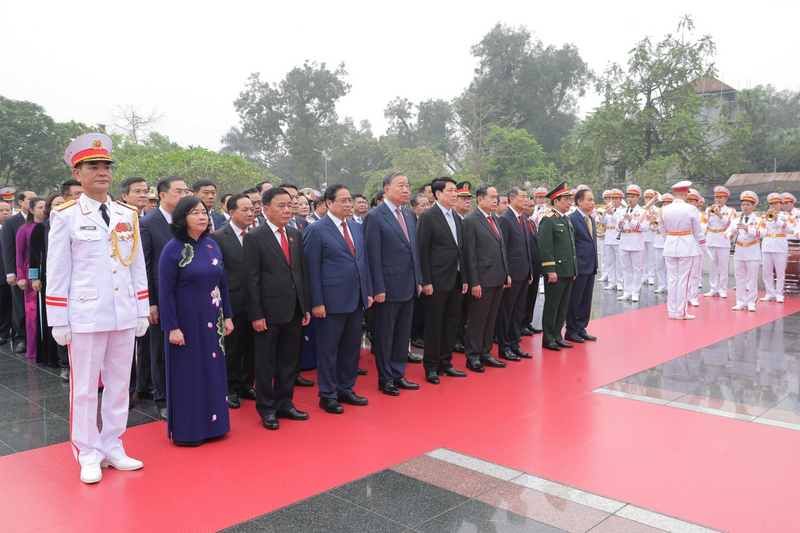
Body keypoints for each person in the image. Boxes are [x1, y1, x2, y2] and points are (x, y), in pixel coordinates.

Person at [47, 132, 149, 484]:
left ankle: (113, 445)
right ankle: (87, 452)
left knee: (120, 385)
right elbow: (58, 272)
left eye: (106, 166)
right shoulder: (66, 216)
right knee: (86, 388)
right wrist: (58, 319)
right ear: (78, 173)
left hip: (122, 311)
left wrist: (141, 309)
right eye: (93, 166)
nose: (102, 172)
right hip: (85, 315)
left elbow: (137, 265)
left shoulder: (127, 213)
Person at [159, 196, 234, 446]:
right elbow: (166, 292)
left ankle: (216, 425)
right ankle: (190, 430)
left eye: (204, 212)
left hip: (214, 317)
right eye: (195, 213)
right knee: (189, 374)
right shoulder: (172, 249)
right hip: (186, 322)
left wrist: (229, 316)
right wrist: (172, 327)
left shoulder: (212, 246)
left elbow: (222, 284)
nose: (202, 217)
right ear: (182, 218)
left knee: (213, 370)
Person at [243, 187, 311, 429]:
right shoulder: (255, 236)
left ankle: (285, 403)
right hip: (268, 313)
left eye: (289, 205)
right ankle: (267, 408)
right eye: (281, 205)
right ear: (266, 209)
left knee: (289, 360)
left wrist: (305, 306)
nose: (287, 210)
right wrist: (257, 314)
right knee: (266, 363)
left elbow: (301, 273)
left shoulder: (295, 234)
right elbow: (251, 280)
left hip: (293, 309)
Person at [304, 185, 373, 413]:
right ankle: (328, 394)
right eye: (343, 200)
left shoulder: (356, 227)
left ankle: (346, 388)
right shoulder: (317, 230)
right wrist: (316, 302)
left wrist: (368, 291)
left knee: (351, 347)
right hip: (330, 301)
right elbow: (311, 270)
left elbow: (363, 263)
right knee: (328, 350)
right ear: (328, 203)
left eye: (349, 200)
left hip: (356, 298)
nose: (348, 204)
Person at [363, 171, 423, 395]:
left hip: (408, 285)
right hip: (387, 287)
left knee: (402, 333)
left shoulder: (409, 215)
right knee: (386, 334)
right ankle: (385, 377)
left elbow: (413, 251)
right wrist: (377, 287)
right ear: (386, 190)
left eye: (408, 185)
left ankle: (399, 373)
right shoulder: (375, 216)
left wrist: (418, 279)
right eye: (401, 186)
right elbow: (372, 256)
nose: (406, 189)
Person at [140, 176, 191, 420]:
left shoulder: (190, 222)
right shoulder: (148, 223)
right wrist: (150, 302)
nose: (184, 195)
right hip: (161, 297)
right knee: (160, 351)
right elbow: (144, 266)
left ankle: (185, 393)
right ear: (162, 195)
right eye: (178, 191)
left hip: (190, 296)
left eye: (186, 191)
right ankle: (162, 399)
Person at [416, 177, 468, 385]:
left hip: (455, 279)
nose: (455, 194)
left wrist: (464, 277)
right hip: (436, 281)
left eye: (455, 191)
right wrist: (426, 280)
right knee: (434, 325)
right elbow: (422, 251)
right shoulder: (429, 217)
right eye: (451, 191)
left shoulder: (456, 217)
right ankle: (431, 367)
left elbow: (460, 250)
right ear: (438, 194)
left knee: (451, 324)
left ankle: (446, 363)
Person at [209, 194, 256, 408]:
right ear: (231, 212)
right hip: (233, 300)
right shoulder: (218, 236)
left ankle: (247, 384)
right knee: (232, 348)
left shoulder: (256, 235)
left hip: (256, 301)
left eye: (252, 209)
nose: (250, 213)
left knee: (252, 347)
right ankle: (231, 389)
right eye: (245, 210)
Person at [462, 183, 510, 371]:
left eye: (496, 196)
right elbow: (470, 254)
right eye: (492, 197)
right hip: (482, 278)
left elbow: (501, 248)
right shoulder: (471, 220)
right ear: (480, 199)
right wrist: (474, 282)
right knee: (478, 318)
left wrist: (506, 273)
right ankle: (472, 355)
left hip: (497, 276)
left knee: (491, 318)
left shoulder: (494, 218)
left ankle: (486, 352)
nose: (495, 200)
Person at [120, 176, 153, 399]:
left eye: (145, 191)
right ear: (124, 195)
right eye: (137, 191)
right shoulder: (117, 218)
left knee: (145, 340)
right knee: (123, 347)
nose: (143, 195)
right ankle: (126, 390)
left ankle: (143, 384)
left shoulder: (148, 219)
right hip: (122, 290)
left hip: (145, 288)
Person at [494, 186, 533, 362]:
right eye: (523, 197)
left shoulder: (522, 219)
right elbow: (503, 249)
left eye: (527, 197)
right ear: (512, 199)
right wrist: (506, 274)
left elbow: (526, 248)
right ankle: (504, 347)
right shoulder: (505, 219)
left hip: (524, 273)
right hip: (512, 274)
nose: (526, 200)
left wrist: (530, 270)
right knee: (506, 312)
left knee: (518, 312)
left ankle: (515, 343)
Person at [659, 181, 707, 319]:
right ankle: (681, 311)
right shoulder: (691, 209)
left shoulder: (664, 209)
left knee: (672, 279)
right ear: (686, 193)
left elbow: (662, 230)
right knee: (683, 280)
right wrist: (704, 248)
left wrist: (668, 240)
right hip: (686, 245)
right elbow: (698, 232)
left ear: (674, 193)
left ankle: (672, 311)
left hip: (670, 244)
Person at [538, 181, 577, 351]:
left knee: (563, 306)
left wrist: (574, 269)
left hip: (568, 270)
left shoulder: (566, 219)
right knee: (552, 305)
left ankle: (557, 335)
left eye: (570, 199)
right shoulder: (548, 220)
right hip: (557, 271)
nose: (569, 202)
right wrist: (550, 270)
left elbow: (571, 247)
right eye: (566, 199)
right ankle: (548, 338)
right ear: (555, 201)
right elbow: (545, 247)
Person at [2, 189, 36, 354]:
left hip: (36, 271)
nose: (34, 202)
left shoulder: (40, 220)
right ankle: (21, 338)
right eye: (30, 199)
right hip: (19, 271)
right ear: (20, 202)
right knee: (20, 306)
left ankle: (36, 338)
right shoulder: (11, 222)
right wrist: (11, 273)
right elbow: (8, 249)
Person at [565, 188, 598, 343]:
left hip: (590, 265)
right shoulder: (572, 218)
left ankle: (581, 327)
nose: (592, 203)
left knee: (586, 299)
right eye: (589, 200)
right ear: (579, 201)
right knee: (575, 300)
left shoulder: (590, 219)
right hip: (578, 266)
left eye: (593, 200)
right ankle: (571, 330)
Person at [15, 197, 46, 359]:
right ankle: (34, 350)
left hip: (49, 270)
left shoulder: (50, 226)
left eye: (45, 207)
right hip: (31, 273)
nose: (43, 210)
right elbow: (20, 254)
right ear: (32, 210)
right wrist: (22, 276)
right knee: (33, 313)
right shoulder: (25, 229)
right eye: (39, 207)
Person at [725, 191, 762, 312]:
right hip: (739, 250)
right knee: (739, 278)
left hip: (752, 250)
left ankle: (751, 302)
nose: (744, 207)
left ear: (753, 206)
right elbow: (725, 234)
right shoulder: (735, 220)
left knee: (752, 279)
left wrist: (747, 228)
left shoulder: (758, 219)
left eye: (747, 205)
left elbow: (762, 233)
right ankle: (740, 301)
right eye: (743, 205)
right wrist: (732, 234)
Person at [759, 193, 794, 304]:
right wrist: (768, 217)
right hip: (767, 245)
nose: (773, 206)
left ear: (781, 204)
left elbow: (789, 229)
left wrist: (776, 219)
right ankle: (769, 293)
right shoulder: (764, 217)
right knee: (767, 272)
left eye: (776, 204)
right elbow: (761, 229)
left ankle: (779, 293)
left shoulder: (786, 216)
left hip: (779, 246)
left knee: (780, 272)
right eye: (772, 204)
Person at [617, 185, 648, 302]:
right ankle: (627, 291)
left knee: (636, 269)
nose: (630, 199)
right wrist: (619, 225)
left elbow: (645, 227)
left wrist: (631, 221)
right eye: (629, 196)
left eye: (632, 197)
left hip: (636, 242)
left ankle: (635, 292)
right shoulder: (622, 211)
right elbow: (616, 227)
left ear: (638, 198)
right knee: (626, 268)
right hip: (624, 241)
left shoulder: (643, 212)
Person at [703, 186, 736, 298]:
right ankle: (713, 288)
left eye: (720, 197)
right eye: (716, 197)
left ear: (725, 199)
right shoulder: (708, 210)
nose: (717, 199)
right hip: (711, 238)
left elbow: (731, 225)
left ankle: (722, 289)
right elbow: (703, 223)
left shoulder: (731, 211)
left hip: (723, 239)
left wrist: (720, 215)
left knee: (723, 266)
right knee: (712, 266)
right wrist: (708, 214)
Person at [521, 195, 542, 336]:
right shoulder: (520, 223)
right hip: (525, 268)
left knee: (532, 296)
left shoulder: (532, 222)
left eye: (533, 206)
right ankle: (521, 323)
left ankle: (528, 321)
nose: (532, 208)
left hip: (534, 267)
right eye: (529, 206)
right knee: (524, 297)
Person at [599, 189, 624, 292]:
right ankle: (612, 282)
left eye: (615, 198)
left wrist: (612, 213)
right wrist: (603, 214)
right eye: (612, 198)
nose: (613, 201)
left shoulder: (623, 210)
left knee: (619, 262)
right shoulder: (609, 209)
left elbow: (619, 220)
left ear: (620, 199)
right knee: (610, 262)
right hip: (608, 238)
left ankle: (620, 282)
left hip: (617, 238)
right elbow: (602, 221)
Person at [652, 193, 673, 294]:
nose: (665, 205)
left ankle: (670, 285)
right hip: (658, 242)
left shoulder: (673, 214)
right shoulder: (658, 213)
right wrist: (653, 221)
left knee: (670, 266)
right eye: (664, 203)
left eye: (668, 203)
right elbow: (652, 228)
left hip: (669, 241)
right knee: (659, 266)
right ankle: (661, 285)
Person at [0, 199, 14, 345]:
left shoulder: (16, 226)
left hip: (14, 274)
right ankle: (2, 333)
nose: (5, 213)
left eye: (7, 210)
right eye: (1, 210)